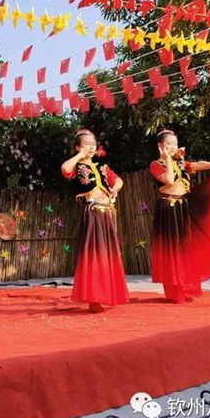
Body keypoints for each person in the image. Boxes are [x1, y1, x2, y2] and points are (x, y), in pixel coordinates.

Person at [149, 129, 210, 304]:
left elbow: (197, 165)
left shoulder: (181, 163)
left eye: (175, 144)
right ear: (160, 145)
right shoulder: (155, 164)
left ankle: (186, 287)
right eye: (169, 143)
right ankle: (174, 292)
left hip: (183, 207)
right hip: (168, 208)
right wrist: (167, 159)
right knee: (172, 249)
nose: (173, 147)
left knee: (185, 248)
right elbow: (169, 180)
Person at [61, 129, 129, 313]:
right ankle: (94, 299)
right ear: (78, 147)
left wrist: (115, 189)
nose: (91, 147)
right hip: (92, 213)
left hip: (106, 213)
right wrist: (79, 156)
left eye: (93, 144)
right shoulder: (76, 167)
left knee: (107, 255)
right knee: (94, 256)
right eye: (86, 144)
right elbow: (65, 169)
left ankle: (107, 294)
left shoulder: (102, 167)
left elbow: (119, 181)